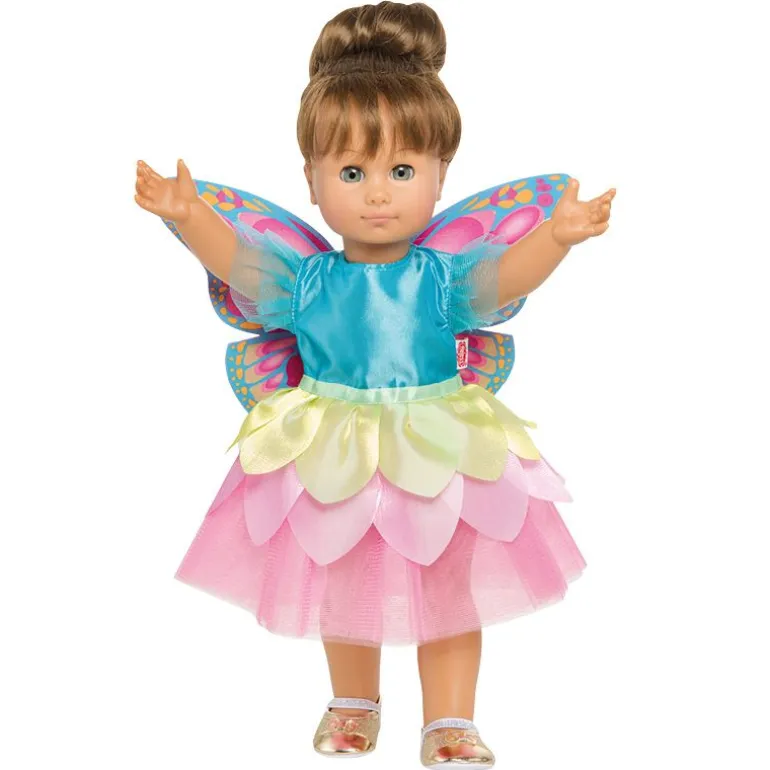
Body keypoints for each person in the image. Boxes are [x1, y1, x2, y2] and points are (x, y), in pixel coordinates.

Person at [134, 2, 614, 765]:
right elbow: (242, 263)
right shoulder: (305, 282)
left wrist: (555, 238)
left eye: (402, 171)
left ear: (440, 174)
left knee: (451, 581)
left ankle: (450, 719)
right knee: (343, 576)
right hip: (335, 446)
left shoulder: (442, 277)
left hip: (438, 443)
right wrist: (189, 218)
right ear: (312, 180)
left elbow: (501, 278)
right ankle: (354, 701)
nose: (378, 193)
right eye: (352, 173)